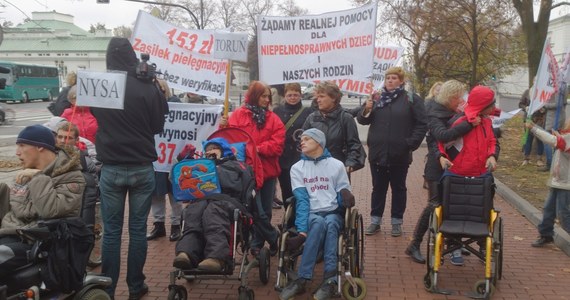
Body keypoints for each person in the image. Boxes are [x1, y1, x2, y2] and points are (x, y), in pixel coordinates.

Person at [90, 37, 168, 299]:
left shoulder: (100, 85)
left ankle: (107, 289)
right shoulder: (147, 87)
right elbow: (158, 126)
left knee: (111, 233)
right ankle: (136, 286)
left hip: (111, 166)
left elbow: (96, 117)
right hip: (141, 166)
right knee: (137, 231)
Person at [278, 128, 355, 300]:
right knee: (319, 223)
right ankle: (304, 278)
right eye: (301, 139)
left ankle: (330, 280)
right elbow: (302, 200)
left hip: (333, 211)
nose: (301, 142)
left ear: (319, 142)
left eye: (307, 139)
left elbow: (343, 191)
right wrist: (302, 230)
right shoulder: (297, 168)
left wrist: (345, 195)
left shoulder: (337, 165)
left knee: (330, 223)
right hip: (312, 212)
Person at [0, 124, 85, 279]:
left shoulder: (71, 176)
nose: (17, 152)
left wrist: (38, 177)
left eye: (22, 145)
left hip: (36, 242)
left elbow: (49, 211)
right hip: (10, 234)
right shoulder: (25, 172)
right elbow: (18, 209)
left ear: (40, 147)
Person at [404, 80, 473, 264]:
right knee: (435, 205)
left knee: (452, 205)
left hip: (455, 165)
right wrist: (469, 125)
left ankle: (452, 243)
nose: (461, 100)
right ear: (450, 98)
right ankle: (414, 244)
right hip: (437, 167)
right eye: (459, 97)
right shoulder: (434, 113)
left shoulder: (453, 112)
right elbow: (441, 137)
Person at [357, 67, 427, 237]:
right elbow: (363, 120)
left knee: (399, 188)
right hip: (378, 152)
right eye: (388, 77)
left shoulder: (411, 99)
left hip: (399, 154)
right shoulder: (376, 98)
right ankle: (375, 221)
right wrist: (366, 109)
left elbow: (422, 123)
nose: (390, 80)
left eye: (394, 77)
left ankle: (397, 222)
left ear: (401, 81)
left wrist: (410, 144)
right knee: (378, 188)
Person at [437, 85, 500, 264]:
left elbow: (492, 141)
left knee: (482, 211)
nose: (494, 107)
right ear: (483, 105)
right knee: (453, 211)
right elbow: (443, 141)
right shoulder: (461, 121)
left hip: (481, 174)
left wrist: (491, 156)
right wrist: (442, 157)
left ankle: (482, 245)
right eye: (491, 104)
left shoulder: (487, 122)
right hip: (458, 173)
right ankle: (453, 247)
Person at [172, 137, 255, 272]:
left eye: (214, 148)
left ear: (223, 150)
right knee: (193, 213)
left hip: (227, 200)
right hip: (203, 200)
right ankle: (186, 253)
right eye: (207, 149)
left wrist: (215, 169)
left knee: (213, 212)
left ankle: (216, 257)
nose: (210, 151)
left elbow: (234, 184)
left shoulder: (235, 166)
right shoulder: (201, 167)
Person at [228, 80, 284, 256]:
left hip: (267, 172)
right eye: (263, 96)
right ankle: (273, 237)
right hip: (245, 172)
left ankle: (257, 244)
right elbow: (231, 139)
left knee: (265, 210)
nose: (267, 100)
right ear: (254, 96)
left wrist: (257, 148)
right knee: (252, 210)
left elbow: (277, 144)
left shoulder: (273, 119)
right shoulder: (238, 115)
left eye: (268, 96)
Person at [303, 81, 366, 176]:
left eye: (322, 96)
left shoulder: (345, 118)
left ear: (333, 98)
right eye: (317, 97)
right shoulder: (311, 118)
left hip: (338, 171)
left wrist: (349, 165)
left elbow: (354, 145)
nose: (318, 100)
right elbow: (302, 143)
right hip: (314, 171)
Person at [147, 79, 183, 242]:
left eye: (160, 89)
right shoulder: (146, 106)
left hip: (173, 159)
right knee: (156, 194)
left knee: (175, 194)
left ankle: (176, 225)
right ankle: (158, 224)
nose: (157, 91)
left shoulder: (175, 104)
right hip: (156, 158)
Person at [527, 118, 570, 246]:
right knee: (548, 209)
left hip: (566, 183)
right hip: (558, 180)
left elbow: (555, 142)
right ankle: (546, 235)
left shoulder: (566, 138)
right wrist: (535, 126)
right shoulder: (566, 135)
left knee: (563, 214)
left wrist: (534, 129)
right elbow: (556, 140)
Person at [273, 83, 314, 204]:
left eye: (296, 95)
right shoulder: (277, 111)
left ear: (300, 95)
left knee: (302, 189)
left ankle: (301, 218)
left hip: (301, 156)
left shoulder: (308, 112)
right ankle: (289, 218)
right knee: (286, 189)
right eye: (289, 95)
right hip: (283, 157)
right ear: (285, 95)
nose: (292, 97)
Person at [55, 122, 99, 229]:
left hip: (76, 211)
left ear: (77, 140)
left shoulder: (85, 162)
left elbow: (90, 197)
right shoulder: (49, 158)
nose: (62, 141)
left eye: (68, 138)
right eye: (60, 137)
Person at [519, 88, 546, 167]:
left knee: (539, 139)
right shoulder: (527, 92)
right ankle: (526, 158)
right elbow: (520, 104)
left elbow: (546, 105)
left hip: (539, 120)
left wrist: (543, 110)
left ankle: (539, 159)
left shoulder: (543, 92)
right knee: (528, 138)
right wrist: (525, 108)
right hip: (528, 118)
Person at [542, 90, 568, 171]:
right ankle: (555, 164)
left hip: (554, 118)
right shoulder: (563, 86)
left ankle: (550, 164)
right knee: (557, 141)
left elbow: (558, 104)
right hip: (557, 117)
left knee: (547, 140)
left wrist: (545, 105)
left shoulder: (558, 88)